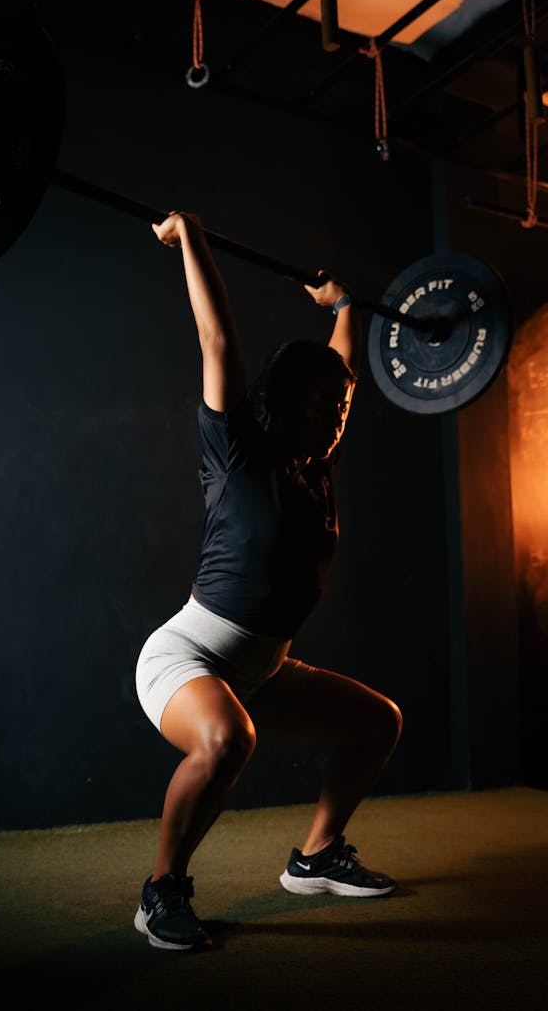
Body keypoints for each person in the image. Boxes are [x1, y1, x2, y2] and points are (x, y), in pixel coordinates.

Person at [134, 211, 402, 951]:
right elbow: (217, 337)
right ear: (279, 404)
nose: (335, 415)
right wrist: (191, 240)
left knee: (378, 722)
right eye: (320, 405)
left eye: (341, 407)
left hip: (263, 669)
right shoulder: (235, 451)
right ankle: (163, 891)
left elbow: (340, 374)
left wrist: (346, 311)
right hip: (186, 659)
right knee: (226, 741)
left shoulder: (319, 471)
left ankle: (315, 858)